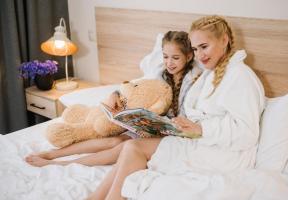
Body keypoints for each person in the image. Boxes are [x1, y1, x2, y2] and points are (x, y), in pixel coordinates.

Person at [87, 15, 265, 200]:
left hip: (225, 155)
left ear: (224, 40)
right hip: (201, 142)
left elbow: (247, 133)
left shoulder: (240, 76)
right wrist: (182, 126)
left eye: (204, 47)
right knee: (131, 147)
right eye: (196, 49)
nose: (200, 55)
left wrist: (201, 128)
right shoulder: (210, 73)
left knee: (133, 148)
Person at [25, 31, 202, 167]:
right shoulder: (159, 74)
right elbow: (134, 87)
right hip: (148, 127)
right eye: (165, 56)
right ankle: (53, 154)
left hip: (170, 134)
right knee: (114, 140)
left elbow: (189, 118)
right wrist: (115, 94)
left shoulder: (194, 81)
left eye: (175, 58)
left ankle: (60, 164)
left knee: (122, 146)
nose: (169, 62)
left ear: (188, 56)